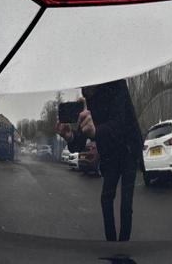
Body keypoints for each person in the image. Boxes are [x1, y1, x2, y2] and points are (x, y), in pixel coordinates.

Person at [58, 79, 143, 242]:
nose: (85, 90)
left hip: (129, 148)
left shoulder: (117, 85)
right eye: (83, 87)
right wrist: (70, 136)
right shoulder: (87, 100)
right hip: (110, 152)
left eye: (88, 86)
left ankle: (123, 245)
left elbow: (119, 123)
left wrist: (96, 132)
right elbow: (80, 141)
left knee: (126, 203)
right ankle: (111, 243)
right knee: (106, 199)